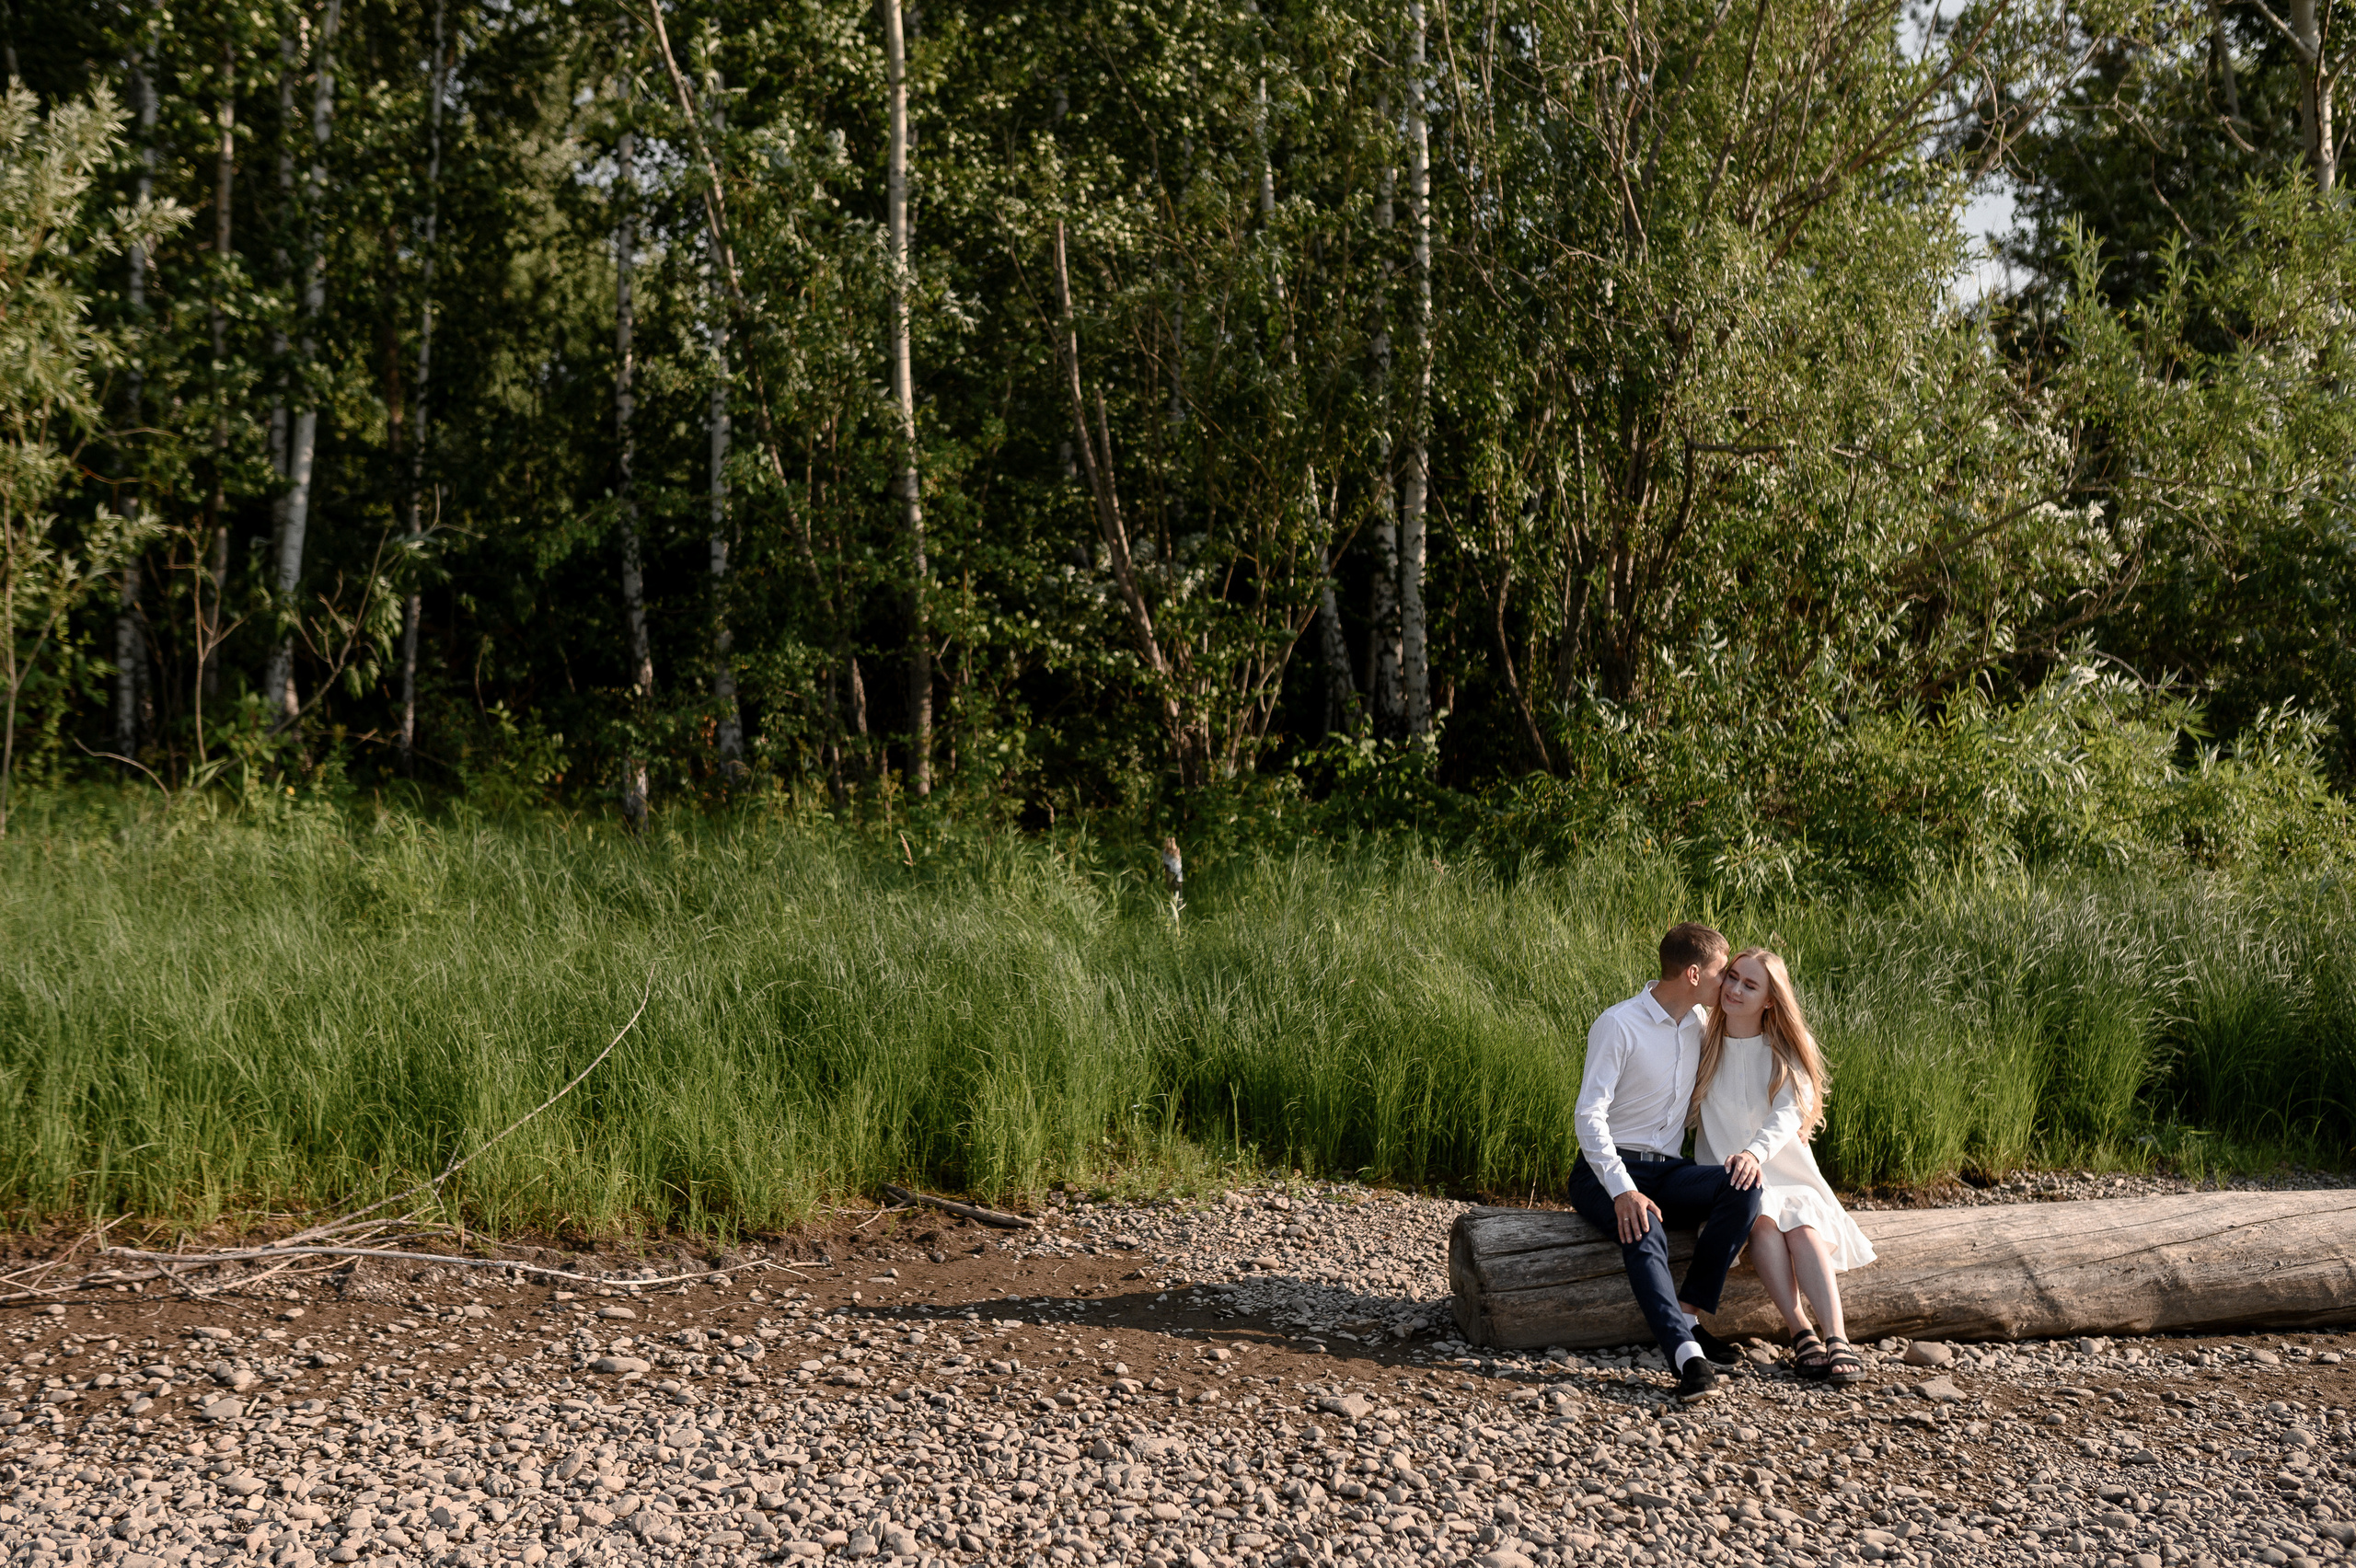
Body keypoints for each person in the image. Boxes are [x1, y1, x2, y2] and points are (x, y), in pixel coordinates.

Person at [1569, 923, 1764, 1403]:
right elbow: (1588, 1114)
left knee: (1743, 1187)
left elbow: (1751, 1064)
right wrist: (1623, 1191)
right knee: (1644, 1224)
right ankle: (1685, 1355)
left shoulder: (1700, 1025)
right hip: (1604, 1173)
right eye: (1723, 973)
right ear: (1694, 974)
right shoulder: (1619, 1023)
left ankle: (1690, 1313)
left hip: (1669, 1169)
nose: (1729, 983)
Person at [1692, 947, 1875, 1385]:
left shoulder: (1786, 1048)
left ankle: (1837, 1337)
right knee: (1761, 1219)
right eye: (1733, 977)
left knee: (1802, 1222)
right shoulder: (1702, 1038)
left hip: (1783, 1169)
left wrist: (1755, 1154)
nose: (1735, 989)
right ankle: (1801, 1331)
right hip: (1729, 1175)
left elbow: (1788, 1113)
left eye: (1750, 985)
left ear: (1771, 1000)